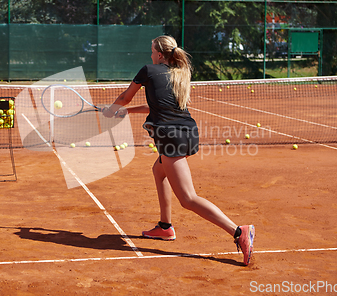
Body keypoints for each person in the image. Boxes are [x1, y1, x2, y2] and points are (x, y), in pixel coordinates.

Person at [103, 35, 255, 265]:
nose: (151, 54)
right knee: (159, 170)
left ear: (160, 54)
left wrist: (112, 109)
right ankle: (165, 226)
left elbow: (125, 97)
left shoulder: (148, 70)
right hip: (187, 133)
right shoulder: (179, 75)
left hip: (171, 138)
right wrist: (125, 112)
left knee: (188, 198)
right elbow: (157, 105)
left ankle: (238, 231)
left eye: (152, 50)